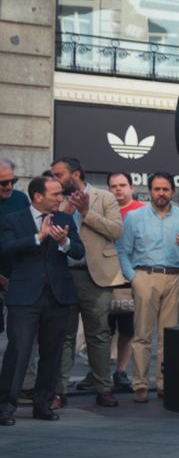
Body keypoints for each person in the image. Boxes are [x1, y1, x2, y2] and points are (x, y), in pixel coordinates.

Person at [0, 176, 84, 425]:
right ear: (38, 196)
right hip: (24, 296)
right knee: (19, 351)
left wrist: (64, 242)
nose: (61, 198)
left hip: (58, 295)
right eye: (55, 194)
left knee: (52, 352)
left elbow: (79, 252)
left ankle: (43, 404)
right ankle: (6, 407)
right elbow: (6, 248)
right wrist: (39, 236)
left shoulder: (65, 219)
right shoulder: (14, 219)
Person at [50, 157, 123, 408]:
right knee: (64, 335)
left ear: (76, 174)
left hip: (97, 276)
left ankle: (103, 388)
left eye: (59, 175)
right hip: (65, 275)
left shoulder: (105, 198)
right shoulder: (56, 200)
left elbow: (116, 231)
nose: (55, 179)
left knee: (98, 335)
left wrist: (85, 212)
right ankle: (59, 391)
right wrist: (64, 214)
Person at [115, 172, 179, 403]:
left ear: (173, 191)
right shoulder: (134, 217)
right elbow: (122, 249)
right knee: (142, 335)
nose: (161, 193)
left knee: (169, 336)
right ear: (150, 191)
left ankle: (164, 384)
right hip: (145, 276)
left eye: (165, 189)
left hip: (176, 277)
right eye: (157, 189)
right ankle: (140, 384)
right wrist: (133, 277)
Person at [107, 171, 144, 393]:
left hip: (132, 276)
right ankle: (99, 371)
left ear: (131, 187)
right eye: (113, 186)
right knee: (103, 330)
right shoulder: (103, 209)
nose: (118, 189)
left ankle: (121, 371)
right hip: (104, 276)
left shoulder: (142, 210)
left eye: (122, 185)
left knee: (128, 329)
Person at [0, 157, 31, 333]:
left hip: (18, 277)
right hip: (5, 278)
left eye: (13, 181)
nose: (10, 186)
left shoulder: (20, 199)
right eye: (3, 183)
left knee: (20, 333)